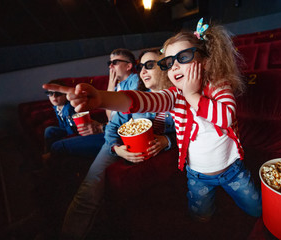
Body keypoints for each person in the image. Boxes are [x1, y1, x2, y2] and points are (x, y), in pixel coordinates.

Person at [43, 17, 262, 228]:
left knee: (256, 209)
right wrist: (102, 98)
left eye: (183, 57)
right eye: (169, 62)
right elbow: (142, 101)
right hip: (197, 174)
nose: (174, 66)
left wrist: (193, 95)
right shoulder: (175, 95)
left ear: (205, 60)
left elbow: (225, 117)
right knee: (201, 217)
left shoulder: (219, 86)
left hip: (232, 170)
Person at [60, 48, 177, 239]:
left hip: (154, 152)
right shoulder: (137, 96)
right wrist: (116, 149)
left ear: (165, 67)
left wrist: (167, 140)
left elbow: (189, 133)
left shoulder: (177, 99)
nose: (143, 71)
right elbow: (113, 126)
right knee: (89, 190)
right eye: (141, 67)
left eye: (149, 65)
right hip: (118, 146)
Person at [48, 48, 139, 159]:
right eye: (109, 63)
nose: (110, 66)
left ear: (128, 66)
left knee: (58, 146)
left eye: (115, 62)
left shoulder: (135, 80)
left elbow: (129, 114)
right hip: (111, 130)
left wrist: (102, 127)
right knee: (50, 132)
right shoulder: (117, 85)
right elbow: (111, 117)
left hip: (119, 135)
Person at [43, 79, 77, 153]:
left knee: (58, 144)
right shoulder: (57, 106)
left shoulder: (69, 109)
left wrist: (65, 139)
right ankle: (47, 151)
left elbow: (73, 130)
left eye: (58, 93)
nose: (54, 96)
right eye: (50, 93)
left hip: (75, 133)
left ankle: (52, 153)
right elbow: (61, 125)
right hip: (66, 129)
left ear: (66, 95)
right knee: (49, 130)